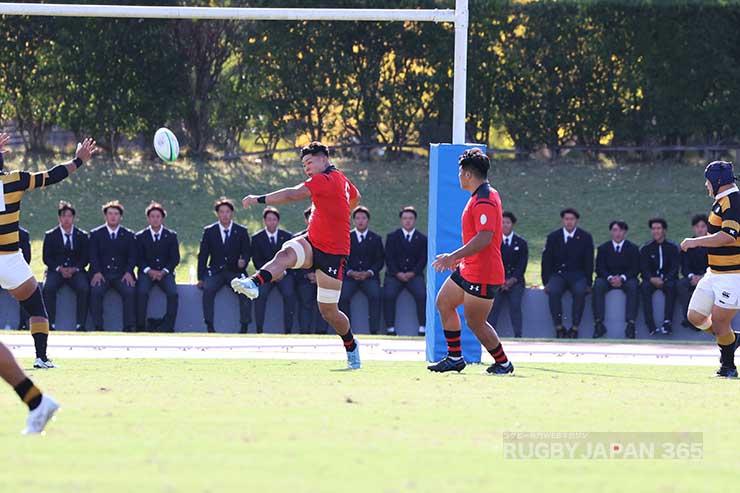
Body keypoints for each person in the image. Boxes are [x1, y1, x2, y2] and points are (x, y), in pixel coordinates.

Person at [231, 141, 362, 369]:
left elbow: (292, 195)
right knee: (286, 253)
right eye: (304, 165)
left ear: (324, 159)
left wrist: (257, 199)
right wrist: (336, 211)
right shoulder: (340, 178)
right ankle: (254, 283)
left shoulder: (327, 178)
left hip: (335, 252)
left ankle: (351, 345)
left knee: (329, 312)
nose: (307, 169)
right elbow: (355, 197)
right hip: (314, 241)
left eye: (309, 163)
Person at [0, 133, 97, 368]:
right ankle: (41, 357)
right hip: (9, 259)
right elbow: (52, 176)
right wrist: (79, 160)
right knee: (36, 308)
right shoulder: (14, 180)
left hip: (11, 258)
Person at [428, 148, 513, 375]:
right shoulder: (480, 196)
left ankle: (503, 362)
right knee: (444, 302)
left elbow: (485, 237)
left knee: (475, 322)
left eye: (459, 172)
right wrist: (461, 259)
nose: (458, 177)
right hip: (469, 268)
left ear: (467, 175)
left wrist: (453, 256)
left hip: (484, 272)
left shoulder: (484, 199)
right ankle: (455, 357)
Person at [681, 161, 740, 377]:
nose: (706, 185)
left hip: (733, 276)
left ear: (717, 181)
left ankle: (728, 367)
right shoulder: (721, 200)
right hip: (714, 273)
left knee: (720, 322)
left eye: (707, 180)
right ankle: (732, 338)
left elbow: (727, 236)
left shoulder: (733, 201)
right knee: (695, 316)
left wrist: (696, 241)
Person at [197, 197, 252, 333]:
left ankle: (244, 326)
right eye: (222, 212)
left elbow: (247, 252)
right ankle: (209, 325)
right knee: (208, 290)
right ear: (217, 214)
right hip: (216, 271)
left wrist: (243, 261)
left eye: (227, 212)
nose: (225, 215)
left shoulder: (241, 231)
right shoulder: (210, 231)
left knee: (245, 291)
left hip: (234, 271)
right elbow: (203, 255)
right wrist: (201, 277)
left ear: (232, 213)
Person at [541, 208, 594, 338]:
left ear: (576, 221)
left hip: (578, 274)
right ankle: (558, 327)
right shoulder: (553, 237)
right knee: (553, 291)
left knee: (580, 292)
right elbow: (546, 260)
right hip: (558, 274)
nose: (569, 222)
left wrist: (588, 282)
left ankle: (575, 328)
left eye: (572, 219)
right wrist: (546, 281)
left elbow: (589, 261)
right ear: (563, 220)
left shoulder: (585, 237)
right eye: (567, 219)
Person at [89, 201, 137, 332]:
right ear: (105, 216)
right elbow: (92, 256)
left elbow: (133, 256)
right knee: (96, 291)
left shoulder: (129, 235)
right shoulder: (95, 234)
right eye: (110, 213)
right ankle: (98, 327)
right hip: (102, 274)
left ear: (121, 216)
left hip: (121, 275)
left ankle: (129, 327)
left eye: (116, 214)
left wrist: (128, 272)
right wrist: (97, 272)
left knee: (129, 291)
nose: (113, 216)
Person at [42, 201, 90, 332]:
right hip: (56, 271)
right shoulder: (50, 235)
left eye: (69, 216)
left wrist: (75, 268)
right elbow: (46, 258)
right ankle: (50, 323)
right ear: (59, 218)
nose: (66, 219)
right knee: (48, 288)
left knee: (84, 287)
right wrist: (59, 268)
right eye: (64, 216)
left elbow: (85, 257)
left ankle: (81, 324)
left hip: (76, 271)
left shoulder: (82, 235)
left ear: (73, 218)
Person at [135, 202, 180, 332]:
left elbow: (175, 258)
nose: (155, 219)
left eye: (158, 216)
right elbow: (138, 258)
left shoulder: (171, 236)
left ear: (162, 218)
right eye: (152, 216)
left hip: (165, 273)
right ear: (148, 218)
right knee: (142, 292)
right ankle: (140, 326)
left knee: (173, 293)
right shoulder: (140, 236)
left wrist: (164, 271)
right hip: (146, 273)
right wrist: (149, 271)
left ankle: (168, 326)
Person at [591, 220, 640, 339]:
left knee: (634, 286)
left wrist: (622, 278)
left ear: (625, 232)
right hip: (607, 279)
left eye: (621, 230)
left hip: (626, 279)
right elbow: (599, 268)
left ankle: (630, 324)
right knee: (598, 285)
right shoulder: (603, 248)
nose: (618, 233)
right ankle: (599, 323)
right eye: (615, 230)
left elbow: (635, 268)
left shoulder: (633, 248)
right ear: (611, 232)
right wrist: (610, 278)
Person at [339, 206, 384, 334]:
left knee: (375, 296)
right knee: (343, 297)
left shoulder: (376, 238)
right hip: (350, 276)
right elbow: (342, 258)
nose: (360, 221)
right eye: (357, 218)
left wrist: (369, 272)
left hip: (369, 277)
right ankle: (346, 331)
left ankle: (374, 330)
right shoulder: (346, 237)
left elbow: (380, 260)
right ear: (353, 221)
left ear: (368, 220)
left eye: (363, 218)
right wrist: (350, 272)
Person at [383, 206, 427, 336]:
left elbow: (423, 259)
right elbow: (389, 258)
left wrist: (413, 272)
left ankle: (422, 327)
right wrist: (398, 273)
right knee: (388, 295)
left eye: (411, 218)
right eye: (405, 218)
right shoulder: (392, 237)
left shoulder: (422, 238)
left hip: (414, 275)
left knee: (422, 295)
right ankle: (390, 328)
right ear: (401, 220)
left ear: (415, 220)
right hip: (395, 275)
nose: (408, 221)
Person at [251, 206, 295, 334]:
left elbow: (290, 257)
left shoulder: (287, 236)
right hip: (265, 275)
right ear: (264, 221)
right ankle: (259, 329)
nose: (271, 222)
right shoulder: (257, 237)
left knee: (289, 294)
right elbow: (256, 261)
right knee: (260, 295)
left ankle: (288, 330)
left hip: (283, 274)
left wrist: (281, 272)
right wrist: (269, 273)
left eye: (274, 219)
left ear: (278, 221)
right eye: (269, 219)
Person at [487, 211, 528, 338]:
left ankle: (518, 335)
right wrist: (500, 280)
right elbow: (491, 262)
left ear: (513, 224)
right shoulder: (493, 241)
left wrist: (511, 280)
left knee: (515, 306)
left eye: (508, 222)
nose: (505, 225)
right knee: (493, 308)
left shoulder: (521, 243)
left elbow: (522, 265)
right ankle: (489, 336)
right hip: (496, 280)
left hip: (515, 282)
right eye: (502, 222)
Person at [639, 218, 679, 335]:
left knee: (672, 287)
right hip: (651, 280)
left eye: (658, 228)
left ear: (664, 230)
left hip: (667, 279)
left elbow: (675, 267)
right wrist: (652, 278)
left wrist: (665, 279)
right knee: (645, 288)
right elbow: (643, 268)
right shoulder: (646, 248)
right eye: (653, 229)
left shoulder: (672, 248)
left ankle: (668, 322)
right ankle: (650, 324)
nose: (656, 231)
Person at [294, 207, 328, 334]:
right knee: (305, 303)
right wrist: (307, 275)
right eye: (311, 217)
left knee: (324, 305)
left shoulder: (329, 238)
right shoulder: (298, 238)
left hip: (323, 278)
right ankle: (304, 332)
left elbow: (330, 259)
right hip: (305, 278)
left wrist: (319, 275)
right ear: (306, 220)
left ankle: (322, 332)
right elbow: (294, 262)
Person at [678, 214, 709, 330]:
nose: (700, 229)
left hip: (708, 277)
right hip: (692, 278)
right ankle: (688, 318)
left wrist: (703, 277)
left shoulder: (712, 244)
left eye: (703, 226)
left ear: (707, 228)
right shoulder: (687, 245)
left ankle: (705, 319)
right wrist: (692, 276)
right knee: (681, 284)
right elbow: (684, 267)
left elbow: (713, 264)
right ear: (693, 228)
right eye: (697, 226)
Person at [15, 227, 31, 331]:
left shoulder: (23, 234)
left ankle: (23, 323)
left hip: (16, 271)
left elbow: (27, 257)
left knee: (25, 287)